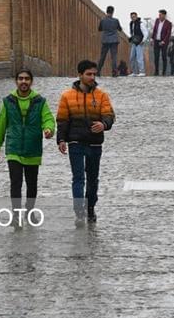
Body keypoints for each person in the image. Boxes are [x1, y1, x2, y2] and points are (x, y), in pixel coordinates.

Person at [0, 68, 55, 230]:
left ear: (31, 82)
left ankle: (29, 211)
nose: (23, 81)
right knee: (16, 182)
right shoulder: (8, 101)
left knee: (32, 183)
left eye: (27, 79)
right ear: (16, 81)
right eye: (20, 78)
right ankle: (15, 215)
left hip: (33, 148)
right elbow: (1, 123)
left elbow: (48, 118)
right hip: (13, 148)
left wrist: (49, 129)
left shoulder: (40, 101)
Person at [56, 60, 116, 225]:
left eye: (94, 74)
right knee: (78, 178)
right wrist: (61, 139)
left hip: (95, 143)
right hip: (75, 142)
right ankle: (79, 210)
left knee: (92, 178)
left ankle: (90, 207)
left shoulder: (101, 95)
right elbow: (62, 120)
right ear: (80, 75)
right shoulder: (67, 96)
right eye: (88, 74)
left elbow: (109, 115)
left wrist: (103, 124)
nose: (92, 77)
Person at [97, 5, 123, 77]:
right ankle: (114, 72)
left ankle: (98, 71)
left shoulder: (103, 20)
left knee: (102, 56)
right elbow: (120, 29)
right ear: (113, 12)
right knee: (114, 57)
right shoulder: (116, 21)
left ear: (106, 11)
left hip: (105, 40)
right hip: (114, 40)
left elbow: (99, 29)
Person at [151, 9, 172, 76]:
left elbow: (168, 34)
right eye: (159, 15)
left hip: (163, 42)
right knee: (156, 57)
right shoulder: (157, 21)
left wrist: (163, 41)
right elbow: (154, 30)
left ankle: (164, 72)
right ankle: (156, 71)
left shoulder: (168, 23)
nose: (159, 16)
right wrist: (152, 39)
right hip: (156, 41)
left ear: (164, 15)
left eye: (160, 15)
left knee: (163, 56)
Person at [128, 12, 145, 76]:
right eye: (132, 17)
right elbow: (132, 32)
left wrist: (143, 40)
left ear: (137, 16)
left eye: (134, 17)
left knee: (139, 57)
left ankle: (142, 71)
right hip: (134, 42)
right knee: (132, 57)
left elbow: (145, 32)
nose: (133, 18)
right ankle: (133, 72)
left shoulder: (140, 23)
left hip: (139, 42)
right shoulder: (131, 23)